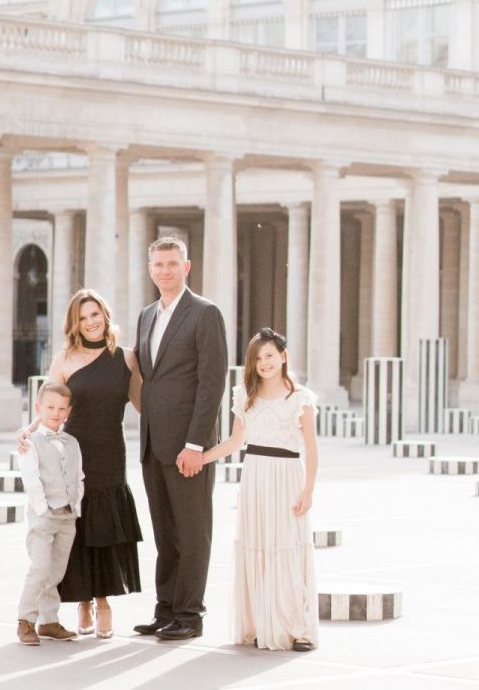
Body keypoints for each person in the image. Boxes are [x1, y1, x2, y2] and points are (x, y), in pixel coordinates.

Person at [18, 289, 142, 639]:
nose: (91, 322)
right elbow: (46, 405)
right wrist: (27, 432)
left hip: (110, 452)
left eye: (95, 314)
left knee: (104, 528)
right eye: (83, 317)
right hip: (71, 454)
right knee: (76, 528)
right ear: (74, 323)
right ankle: (82, 602)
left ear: (105, 314)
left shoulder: (127, 357)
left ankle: (104, 602)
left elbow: (144, 403)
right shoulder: (65, 359)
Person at [133, 236, 228, 641]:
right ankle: (165, 609)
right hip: (153, 443)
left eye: (172, 263)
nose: (165, 270)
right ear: (150, 269)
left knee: (192, 532)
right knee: (165, 533)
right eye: (158, 264)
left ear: (186, 267)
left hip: (189, 446)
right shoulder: (146, 315)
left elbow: (212, 383)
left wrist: (196, 444)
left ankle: (189, 615)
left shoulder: (205, 313)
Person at [201, 327, 319, 651]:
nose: (264, 363)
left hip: (287, 476)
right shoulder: (245, 396)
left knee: (288, 548)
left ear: (283, 357)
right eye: (257, 358)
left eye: (269, 355)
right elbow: (236, 442)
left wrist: (308, 490)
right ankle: (258, 624)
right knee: (256, 545)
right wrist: (202, 458)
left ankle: (299, 629)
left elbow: (311, 446)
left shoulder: (301, 398)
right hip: (255, 475)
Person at [16, 380, 84, 645]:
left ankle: (49, 621)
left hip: (68, 516)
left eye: (61, 408)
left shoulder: (72, 442)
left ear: (68, 411)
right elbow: (31, 479)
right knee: (40, 568)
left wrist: (75, 506)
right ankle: (25, 620)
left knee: (56, 571)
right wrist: (44, 509)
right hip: (44, 516)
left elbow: (78, 476)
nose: (56, 412)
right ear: (38, 408)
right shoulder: (30, 442)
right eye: (50, 407)